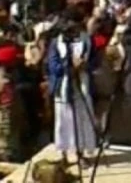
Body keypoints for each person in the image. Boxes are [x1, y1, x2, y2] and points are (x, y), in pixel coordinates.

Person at [47, 18, 98, 158]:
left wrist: (84, 65)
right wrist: (69, 66)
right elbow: (53, 66)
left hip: (82, 85)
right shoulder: (56, 43)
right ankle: (63, 153)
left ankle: (80, 152)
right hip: (63, 88)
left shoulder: (87, 41)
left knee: (82, 120)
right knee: (64, 121)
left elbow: (95, 61)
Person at [0, 42, 24, 163]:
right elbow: (7, 107)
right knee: (8, 154)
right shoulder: (4, 82)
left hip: (6, 120)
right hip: (6, 123)